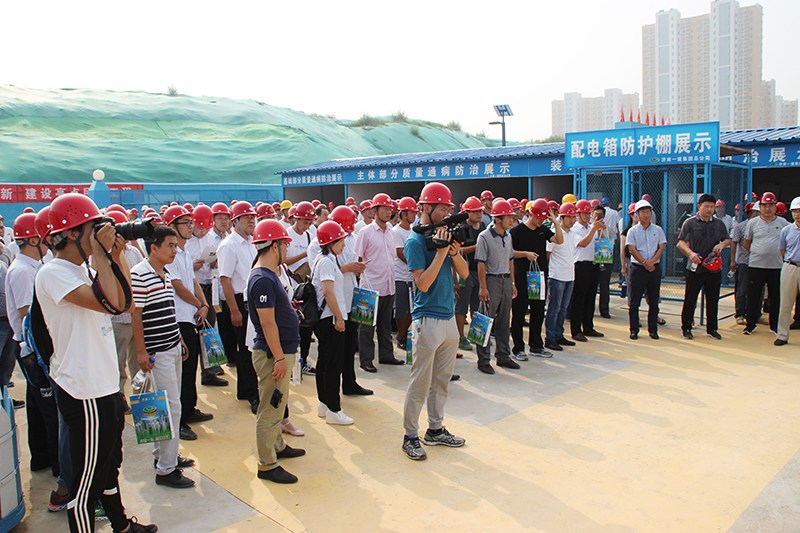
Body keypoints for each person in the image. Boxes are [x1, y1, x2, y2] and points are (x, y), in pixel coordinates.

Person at [36, 193, 156, 533]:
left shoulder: (83, 269)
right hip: (83, 390)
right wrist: (104, 257)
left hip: (104, 385)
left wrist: (115, 256)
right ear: (72, 233)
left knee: (109, 466)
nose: (102, 233)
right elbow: (111, 303)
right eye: (94, 228)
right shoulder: (53, 273)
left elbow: (125, 303)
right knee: (86, 484)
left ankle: (121, 525)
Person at [402, 182, 468, 461]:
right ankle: (410, 435)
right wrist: (440, 253)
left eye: (448, 209)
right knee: (420, 381)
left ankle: (436, 429)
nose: (446, 214)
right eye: (442, 209)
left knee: (441, 379)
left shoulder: (445, 235)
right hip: (427, 318)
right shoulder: (415, 242)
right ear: (426, 207)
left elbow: (464, 273)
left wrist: (452, 252)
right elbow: (423, 284)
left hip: (448, 317)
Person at [130, 225, 195, 489]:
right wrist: (142, 351)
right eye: (170, 245)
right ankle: (166, 470)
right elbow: (136, 315)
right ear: (153, 247)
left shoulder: (164, 273)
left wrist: (179, 340)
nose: (174, 250)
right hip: (157, 353)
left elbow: (169, 311)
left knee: (165, 406)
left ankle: (164, 456)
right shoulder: (139, 274)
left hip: (172, 346)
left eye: (175, 246)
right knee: (170, 409)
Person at [248, 220, 305, 484]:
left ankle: (278, 446)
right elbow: (267, 323)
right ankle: (267, 464)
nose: (287, 249)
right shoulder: (262, 279)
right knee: (270, 408)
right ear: (274, 246)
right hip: (273, 355)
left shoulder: (268, 275)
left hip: (279, 351)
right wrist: (280, 358)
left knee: (278, 404)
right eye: (284, 244)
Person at [162, 206, 218, 443]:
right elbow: (178, 287)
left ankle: (190, 408)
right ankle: (181, 420)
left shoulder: (183, 253)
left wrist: (204, 304)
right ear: (171, 226)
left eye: (190, 222)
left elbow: (193, 282)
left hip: (192, 315)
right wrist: (199, 305)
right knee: (182, 371)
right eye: (185, 223)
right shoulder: (171, 255)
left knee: (191, 366)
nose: (190, 227)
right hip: (179, 318)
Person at [354, 193, 403, 372]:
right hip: (369, 287)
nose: (389, 212)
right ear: (375, 210)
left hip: (388, 286)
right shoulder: (365, 232)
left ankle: (386, 355)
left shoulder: (391, 232)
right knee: (366, 327)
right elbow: (357, 259)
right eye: (385, 208)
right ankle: (366, 360)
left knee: (385, 325)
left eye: (390, 209)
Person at [311, 221, 355, 425]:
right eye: (340, 241)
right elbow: (328, 292)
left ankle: (324, 403)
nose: (343, 245)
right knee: (333, 365)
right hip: (330, 319)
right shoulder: (328, 262)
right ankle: (334, 410)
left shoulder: (323, 259)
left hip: (325, 319)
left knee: (324, 361)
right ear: (330, 242)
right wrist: (339, 318)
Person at [218, 201, 259, 412]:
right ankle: (252, 394)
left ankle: (244, 390)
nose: (251, 220)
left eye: (253, 217)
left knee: (248, 349)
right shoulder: (229, 246)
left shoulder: (252, 242)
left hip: (252, 299)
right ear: (235, 221)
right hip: (239, 302)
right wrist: (234, 311)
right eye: (246, 217)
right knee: (246, 350)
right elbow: (225, 280)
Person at [510, 199, 563, 360]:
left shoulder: (543, 230)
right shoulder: (517, 231)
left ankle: (536, 346)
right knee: (519, 313)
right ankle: (518, 348)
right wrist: (525, 254)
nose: (541, 221)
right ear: (530, 215)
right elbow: (509, 252)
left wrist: (556, 223)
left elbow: (559, 240)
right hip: (522, 277)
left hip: (539, 278)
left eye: (543, 219)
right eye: (539, 218)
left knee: (538, 312)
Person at [676, 194, 731, 340]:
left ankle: (712, 329)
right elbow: (680, 243)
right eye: (706, 206)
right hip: (695, 268)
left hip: (714, 268)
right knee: (690, 299)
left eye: (712, 207)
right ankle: (686, 327)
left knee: (713, 300)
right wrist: (691, 254)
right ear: (699, 206)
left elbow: (727, 239)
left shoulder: (719, 224)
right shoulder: (690, 223)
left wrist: (722, 244)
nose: (709, 209)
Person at [474, 199, 519, 374]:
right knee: (486, 320)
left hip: (506, 280)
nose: (512, 220)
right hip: (491, 281)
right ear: (498, 219)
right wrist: (483, 287)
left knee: (504, 321)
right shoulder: (484, 237)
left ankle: (503, 356)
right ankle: (483, 360)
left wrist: (512, 283)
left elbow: (511, 260)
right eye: (508, 217)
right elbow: (481, 263)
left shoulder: (508, 236)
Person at [743, 192, 788, 335]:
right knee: (753, 296)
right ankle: (750, 325)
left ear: (775, 207)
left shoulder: (783, 223)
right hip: (756, 265)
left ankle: (774, 326)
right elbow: (747, 243)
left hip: (776, 266)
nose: (767, 209)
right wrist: (759, 253)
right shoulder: (752, 223)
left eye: (770, 205)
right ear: (760, 207)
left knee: (775, 297)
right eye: (764, 206)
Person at [625, 200, 667, 340]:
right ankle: (634, 330)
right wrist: (644, 262)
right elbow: (632, 249)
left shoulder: (658, 230)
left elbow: (661, 247)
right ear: (637, 215)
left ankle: (653, 330)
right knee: (634, 302)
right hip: (638, 269)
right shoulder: (632, 231)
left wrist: (652, 262)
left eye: (648, 212)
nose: (646, 215)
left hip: (654, 268)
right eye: (643, 212)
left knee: (654, 301)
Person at [284, 201, 317, 374]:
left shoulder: (311, 235)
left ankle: (303, 361)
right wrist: (305, 253)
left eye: (310, 222)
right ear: (295, 219)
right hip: (291, 285)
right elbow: (283, 261)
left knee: (306, 327)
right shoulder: (287, 234)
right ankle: (291, 364)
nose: (307, 226)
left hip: (306, 287)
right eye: (305, 222)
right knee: (292, 327)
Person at [544, 202, 578, 352]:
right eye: (568, 217)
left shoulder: (572, 234)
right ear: (561, 218)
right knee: (554, 308)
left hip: (569, 276)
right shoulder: (554, 233)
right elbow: (548, 254)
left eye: (573, 217)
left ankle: (559, 335)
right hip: (557, 276)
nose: (572, 220)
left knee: (563, 309)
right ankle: (550, 338)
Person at [570, 199, 606, 342]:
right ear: (578, 214)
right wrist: (593, 229)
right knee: (579, 298)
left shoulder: (592, 227)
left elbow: (601, 243)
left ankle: (588, 327)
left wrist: (600, 230)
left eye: (588, 213)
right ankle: (576, 330)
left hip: (593, 264)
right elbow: (583, 243)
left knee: (591, 297)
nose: (587, 216)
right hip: (581, 265)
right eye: (584, 213)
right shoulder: (574, 229)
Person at [454, 197, 485, 351]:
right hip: (464, 272)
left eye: (480, 211)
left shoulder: (483, 226)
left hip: (479, 271)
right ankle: (460, 336)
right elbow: (456, 251)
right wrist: (476, 247)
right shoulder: (461, 228)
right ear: (466, 212)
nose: (479, 214)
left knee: (477, 306)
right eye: (475, 211)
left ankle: (476, 335)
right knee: (461, 306)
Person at [393, 197, 417, 351]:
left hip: (413, 277)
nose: (415, 215)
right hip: (400, 276)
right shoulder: (396, 231)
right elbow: (400, 253)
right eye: (412, 212)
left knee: (411, 309)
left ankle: (405, 334)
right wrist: (417, 263)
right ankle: (401, 337)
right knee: (401, 310)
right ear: (403, 213)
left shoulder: (414, 230)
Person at [775, 197, 800, 346]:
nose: (797, 214)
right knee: (785, 303)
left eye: (799, 211)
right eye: (795, 211)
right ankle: (782, 335)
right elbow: (782, 250)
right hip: (790, 266)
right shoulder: (786, 230)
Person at [730, 203, 759, 325]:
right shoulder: (740, 227)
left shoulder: (761, 226)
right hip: (745, 262)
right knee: (742, 290)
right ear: (751, 213)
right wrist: (733, 261)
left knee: (758, 291)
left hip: (759, 263)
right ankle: (740, 314)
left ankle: (756, 314)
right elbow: (734, 243)